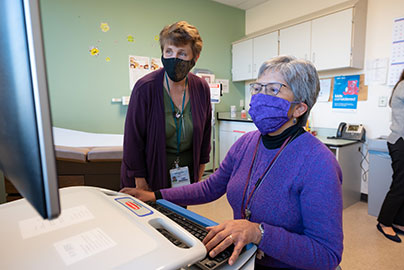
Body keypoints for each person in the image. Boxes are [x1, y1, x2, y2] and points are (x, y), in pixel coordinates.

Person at [121, 56, 343, 269]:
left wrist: (259, 233)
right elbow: (211, 187)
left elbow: (327, 254)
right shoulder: (247, 142)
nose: (259, 96)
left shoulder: (318, 162)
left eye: (273, 89)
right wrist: (156, 196)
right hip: (244, 258)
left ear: (299, 108)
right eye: (258, 88)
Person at [120, 21, 212, 192]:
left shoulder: (201, 88)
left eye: (182, 53)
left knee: (177, 217)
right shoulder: (145, 88)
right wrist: (141, 183)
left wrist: (198, 174)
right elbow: (133, 140)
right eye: (169, 51)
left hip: (185, 175)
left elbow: (205, 134)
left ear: (195, 58)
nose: (174, 58)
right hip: (148, 172)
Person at [377, 69, 404, 243]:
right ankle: (384, 222)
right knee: (400, 185)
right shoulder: (403, 85)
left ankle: (398, 221)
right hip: (399, 141)